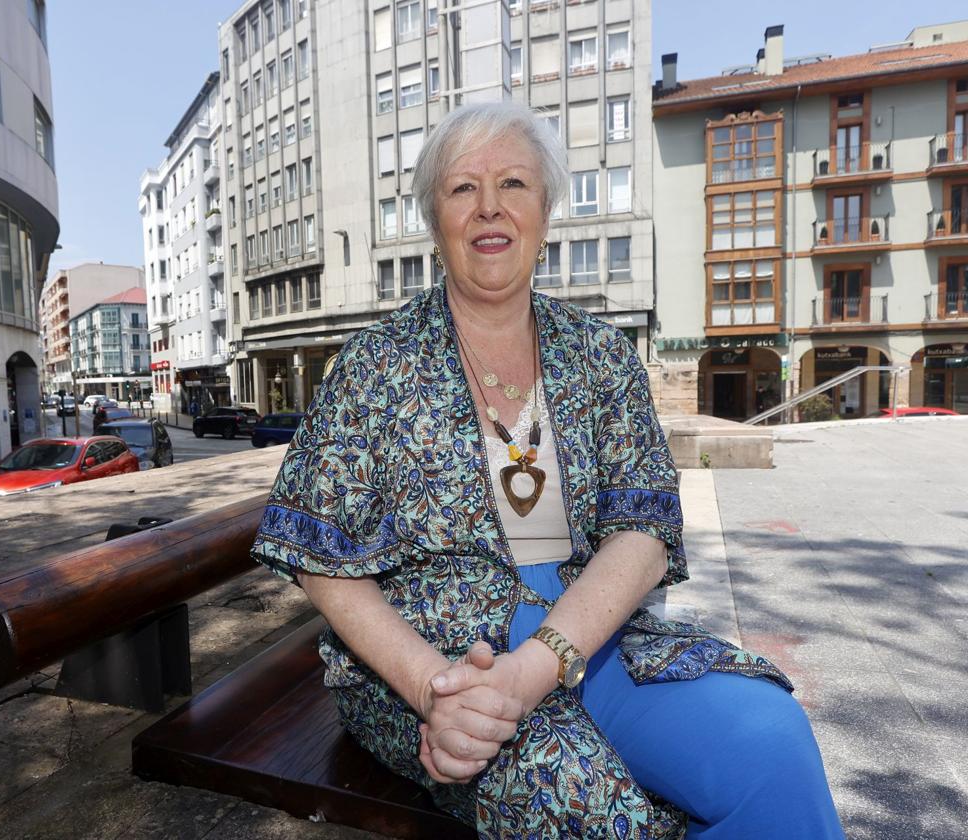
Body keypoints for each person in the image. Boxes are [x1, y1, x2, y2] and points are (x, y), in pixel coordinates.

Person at [251, 103, 843, 839]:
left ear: (547, 208)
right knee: (585, 802)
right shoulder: (376, 363)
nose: (490, 207)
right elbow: (322, 560)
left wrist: (539, 662)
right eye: (463, 188)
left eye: (514, 184)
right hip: (432, 663)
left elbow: (644, 529)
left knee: (770, 742)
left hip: (589, 635)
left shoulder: (600, 354)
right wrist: (436, 693)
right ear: (435, 220)